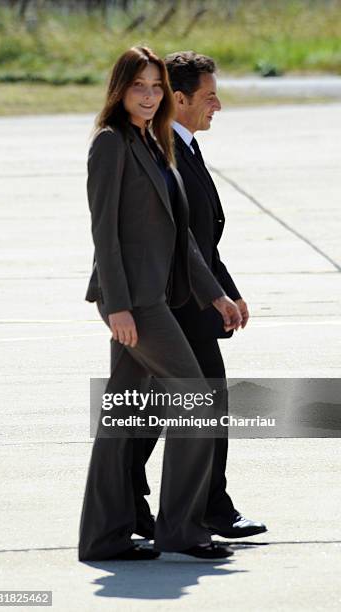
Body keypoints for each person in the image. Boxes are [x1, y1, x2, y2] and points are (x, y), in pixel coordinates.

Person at [78, 46, 242, 562]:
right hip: (135, 302)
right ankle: (182, 528)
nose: (149, 97)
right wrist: (119, 306)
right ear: (120, 90)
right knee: (197, 403)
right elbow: (103, 233)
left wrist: (213, 292)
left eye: (155, 87)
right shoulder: (110, 144)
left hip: (154, 297)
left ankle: (104, 537)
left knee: (120, 421)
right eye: (139, 87)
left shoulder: (153, 141)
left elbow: (180, 237)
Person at [163, 50, 267, 538]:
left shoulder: (186, 146)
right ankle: (209, 507)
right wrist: (215, 296)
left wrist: (231, 291)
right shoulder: (165, 150)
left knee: (161, 413)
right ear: (178, 99)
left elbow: (206, 235)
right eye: (209, 97)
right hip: (177, 305)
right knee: (204, 404)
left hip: (194, 299)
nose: (218, 106)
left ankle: (141, 506)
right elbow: (179, 238)